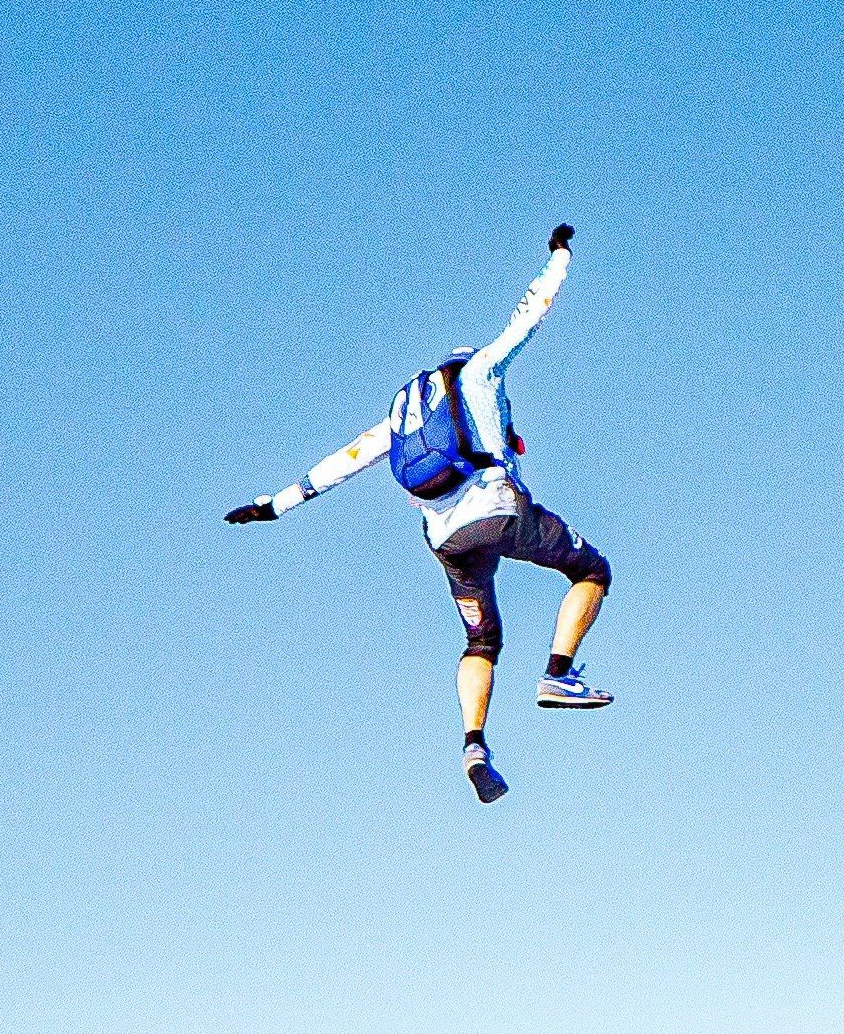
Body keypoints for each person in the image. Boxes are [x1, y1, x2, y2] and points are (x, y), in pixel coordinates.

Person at [226, 223, 612, 803]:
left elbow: (345, 461)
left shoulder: (402, 416)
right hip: (499, 511)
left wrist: (273, 505)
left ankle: (474, 745)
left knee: (481, 643)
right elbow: (530, 315)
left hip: (446, 540)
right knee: (591, 570)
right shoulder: (481, 372)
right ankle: (559, 674)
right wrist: (559, 256)